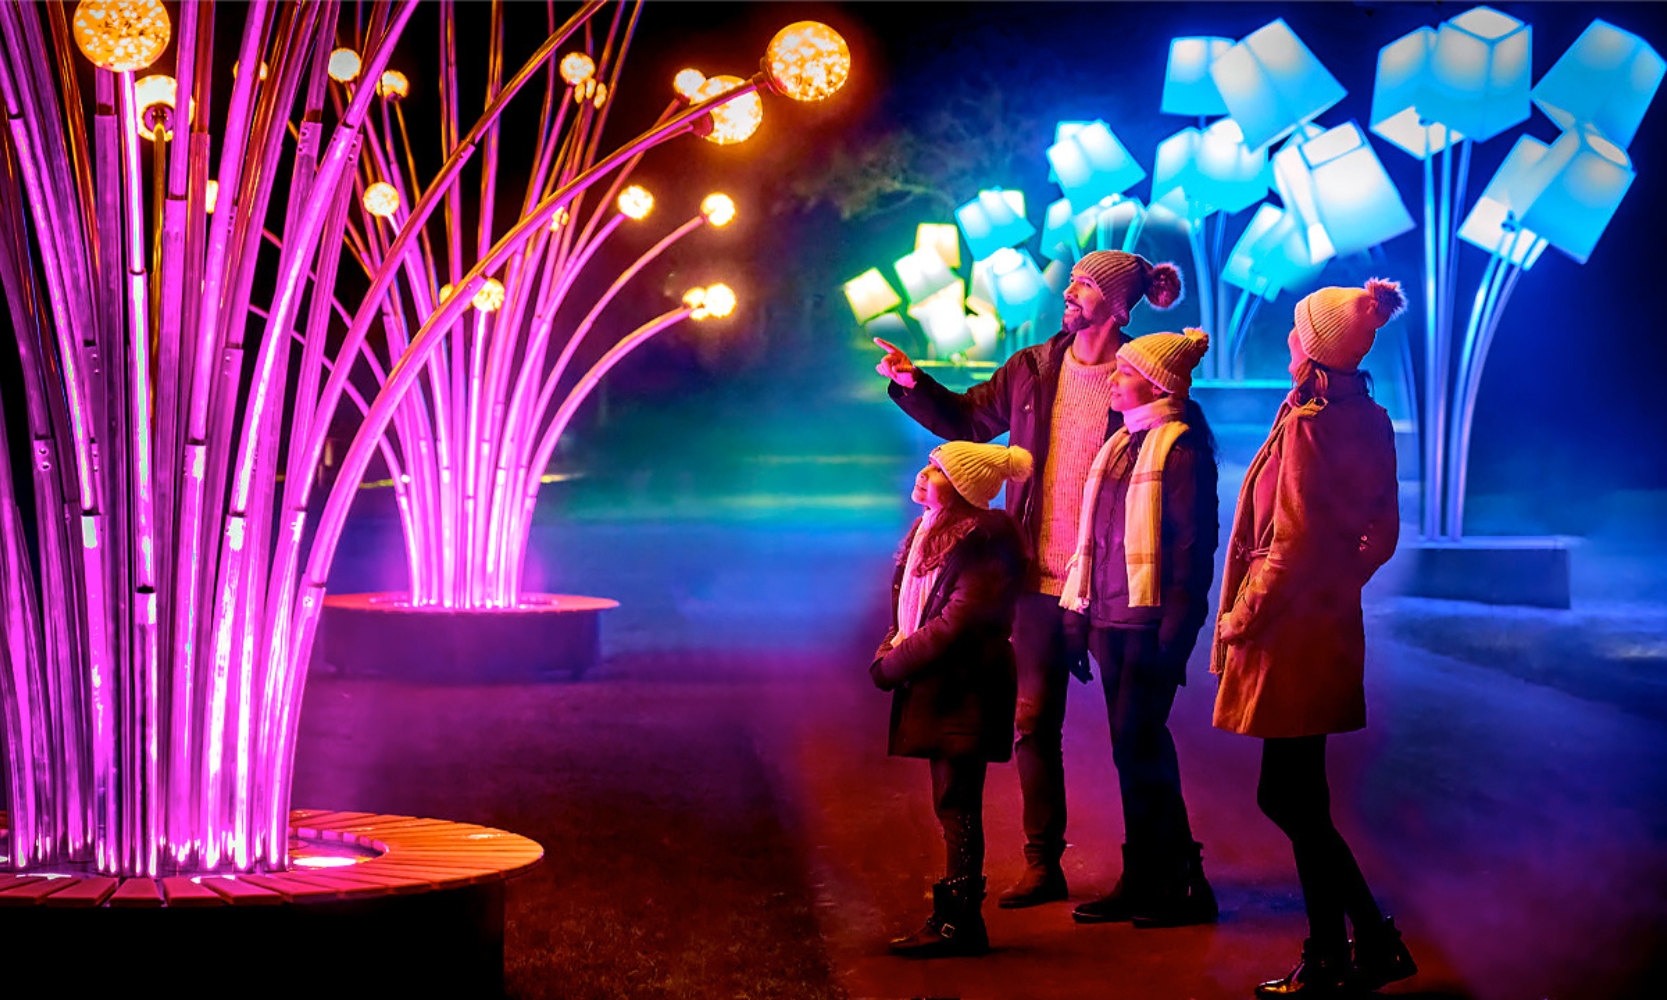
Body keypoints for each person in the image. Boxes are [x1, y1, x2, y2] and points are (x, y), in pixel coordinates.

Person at [876, 249, 1182, 908]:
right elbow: (968, 420)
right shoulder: (1032, 368)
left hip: (1108, 587)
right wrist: (910, 381)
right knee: (1032, 722)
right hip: (1036, 580)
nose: (1068, 292)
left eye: (1083, 284)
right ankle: (1044, 864)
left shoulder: (1138, 374)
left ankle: (1151, 871)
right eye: (1071, 282)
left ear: (1116, 304)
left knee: (1133, 731)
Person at [1211, 279, 1418, 996]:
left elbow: (1289, 543)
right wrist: (1338, 585)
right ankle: (1345, 948)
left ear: (1317, 351)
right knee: (1300, 796)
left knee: (1288, 797)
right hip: (1324, 623)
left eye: (1298, 331)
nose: (1289, 339)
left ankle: (1353, 946)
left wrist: (1245, 614)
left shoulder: (1311, 424)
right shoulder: (1370, 418)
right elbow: (1381, 535)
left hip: (1289, 628)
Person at [1056, 328, 1220, 928]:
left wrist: (1174, 641)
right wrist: (1078, 621)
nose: (1113, 380)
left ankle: (1183, 882)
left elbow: (1192, 553)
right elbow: (1095, 539)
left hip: (1149, 626)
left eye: (1124, 373)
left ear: (1153, 384)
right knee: (1133, 750)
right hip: (1110, 622)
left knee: (1140, 745)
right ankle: (1146, 877)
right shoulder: (1121, 446)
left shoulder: (1179, 451)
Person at [871, 441, 1034, 958]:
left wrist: (891, 666)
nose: (923, 475)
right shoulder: (934, 534)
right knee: (952, 802)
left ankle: (959, 922)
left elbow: (956, 623)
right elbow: (909, 613)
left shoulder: (982, 542)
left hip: (966, 685)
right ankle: (956, 918)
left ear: (963, 488)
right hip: (945, 685)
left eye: (937, 471)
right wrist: (891, 648)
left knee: (957, 802)